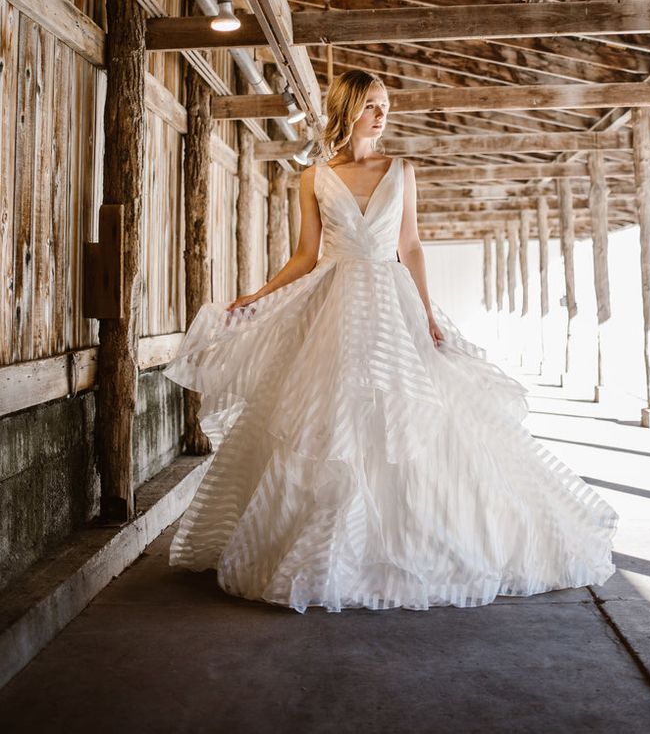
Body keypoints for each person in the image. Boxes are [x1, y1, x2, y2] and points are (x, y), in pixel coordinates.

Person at [164, 69, 617, 613]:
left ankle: (409, 540)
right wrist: (258, 296)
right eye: (372, 105)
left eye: (385, 105)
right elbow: (306, 256)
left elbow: (412, 246)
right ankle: (329, 542)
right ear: (349, 108)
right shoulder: (312, 178)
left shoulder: (401, 170)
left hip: (390, 300)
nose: (382, 114)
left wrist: (427, 314)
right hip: (332, 303)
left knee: (410, 414)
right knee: (326, 418)